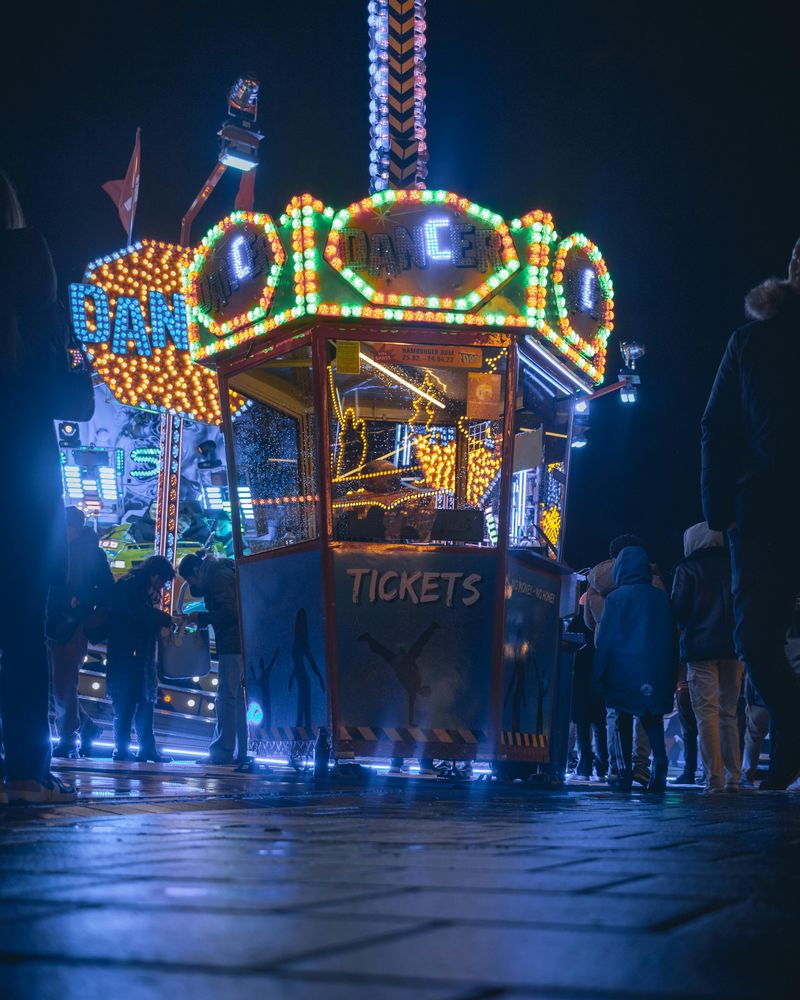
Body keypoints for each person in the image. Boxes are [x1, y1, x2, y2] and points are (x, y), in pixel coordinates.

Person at [0, 173, 94, 804]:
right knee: (21, 629)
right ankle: (28, 774)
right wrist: (73, 353)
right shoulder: (33, 282)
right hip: (22, 482)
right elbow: (75, 400)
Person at [701, 239, 800, 790]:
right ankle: (791, 728)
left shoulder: (751, 341)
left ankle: (788, 743)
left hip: (763, 508)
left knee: (758, 637)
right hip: (764, 507)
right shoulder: (751, 341)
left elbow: (716, 427)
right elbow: (717, 426)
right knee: (756, 640)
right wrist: (721, 509)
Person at [593, 546, 675, 793]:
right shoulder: (661, 597)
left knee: (622, 719)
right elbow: (671, 636)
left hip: (623, 668)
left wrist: (599, 674)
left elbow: (606, 640)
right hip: (655, 667)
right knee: (652, 718)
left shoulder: (615, 599)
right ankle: (659, 762)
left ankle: (623, 772)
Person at [671, 521, 743, 792]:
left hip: (700, 649)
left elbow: (678, 611)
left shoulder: (686, 568)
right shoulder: (735, 564)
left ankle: (714, 779)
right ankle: (734, 776)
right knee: (729, 712)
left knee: (706, 714)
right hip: (734, 648)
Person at [47, 505, 113, 758]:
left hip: (72, 624)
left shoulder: (90, 553)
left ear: (73, 527)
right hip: (52, 620)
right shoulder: (61, 548)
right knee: (52, 683)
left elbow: (107, 588)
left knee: (63, 684)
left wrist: (81, 602)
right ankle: (84, 727)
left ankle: (68, 738)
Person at [178, 552, 249, 765]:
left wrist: (201, 617)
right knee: (236, 699)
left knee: (226, 698)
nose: (191, 584)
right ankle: (240, 751)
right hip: (239, 643)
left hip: (232, 644)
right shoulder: (220, 573)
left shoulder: (218, 578)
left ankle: (222, 751)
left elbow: (230, 613)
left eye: (190, 579)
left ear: (196, 571)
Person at [106, 556, 174, 763]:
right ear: (155, 575)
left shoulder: (138, 586)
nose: (162, 586)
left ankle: (145, 748)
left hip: (137, 652)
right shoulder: (132, 587)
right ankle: (123, 749)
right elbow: (140, 614)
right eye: (163, 581)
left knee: (144, 700)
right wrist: (166, 619)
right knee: (128, 700)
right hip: (129, 652)